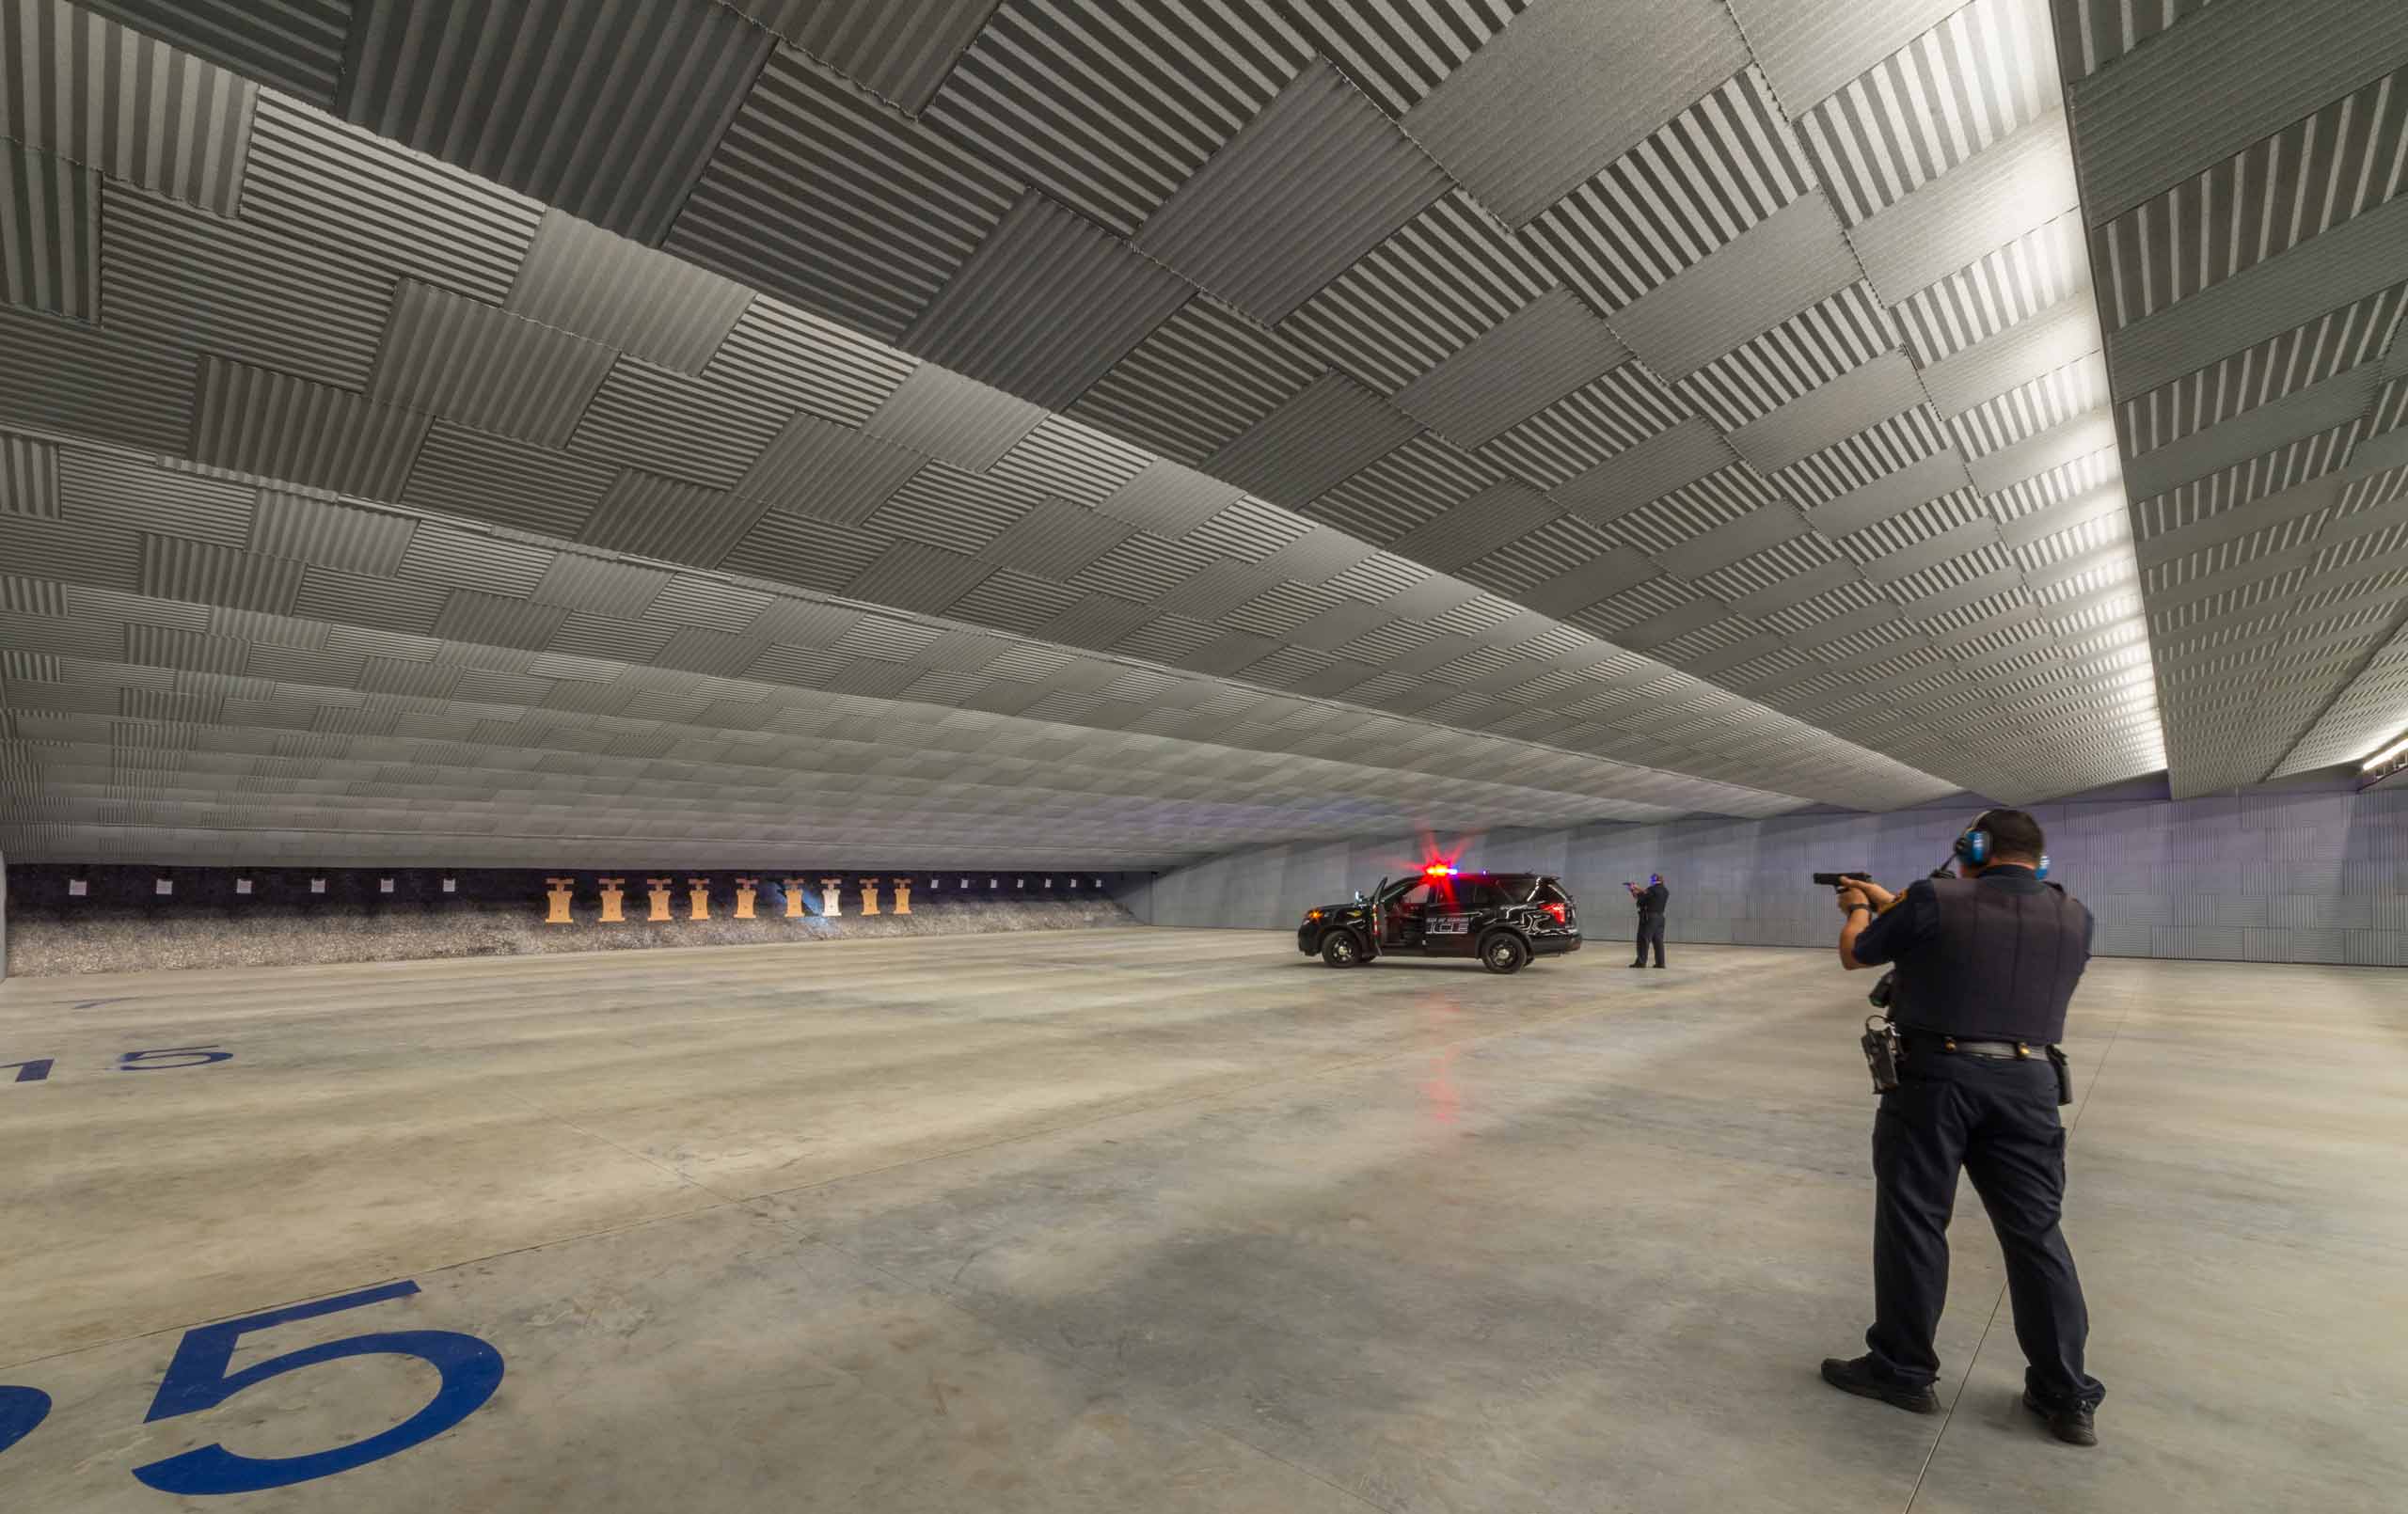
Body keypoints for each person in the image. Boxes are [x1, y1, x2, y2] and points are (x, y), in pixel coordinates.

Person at [1821, 810, 2105, 1447]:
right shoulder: (2073, 914)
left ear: (1972, 848)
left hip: (1936, 1083)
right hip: (2030, 1085)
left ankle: (1902, 1368)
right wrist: (1891, 897)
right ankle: (2066, 1393)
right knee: (2036, 1235)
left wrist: (1856, 909)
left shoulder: (1932, 899)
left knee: (1916, 1221)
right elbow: (1978, 926)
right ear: (2041, 861)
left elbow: (1857, 955)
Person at [1626, 874, 1668, 968]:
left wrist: (1633, 889)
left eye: (1651, 879)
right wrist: (1636, 890)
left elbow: (1640, 898)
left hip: (1649, 918)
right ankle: (1660, 963)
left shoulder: (1652, 889)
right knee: (1658, 941)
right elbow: (1645, 895)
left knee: (1643, 939)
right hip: (1660, 918)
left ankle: (1641, 962)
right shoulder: (1665, 891)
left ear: (1654, 880)